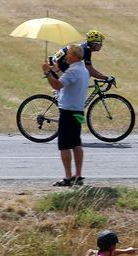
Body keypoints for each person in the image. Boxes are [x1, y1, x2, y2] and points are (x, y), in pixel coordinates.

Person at [42, 45, 89, 187]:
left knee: (64, 145)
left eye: (68, 54)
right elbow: (66, 80)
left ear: (74, 56)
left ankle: (68, 177)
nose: (65, 57)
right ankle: (78, 175)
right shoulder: (83, 70)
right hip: (78, 111)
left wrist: (47, 73)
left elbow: (57, 85)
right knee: (76, 143)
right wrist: (55, 70)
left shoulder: (73, 71)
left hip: (67, 111)